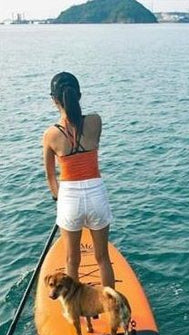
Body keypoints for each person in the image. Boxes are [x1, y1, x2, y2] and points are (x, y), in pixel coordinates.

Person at [43, 72, 115, 288]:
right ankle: (112, 310)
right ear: (79, 95)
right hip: (96, 194)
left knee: (72, 261)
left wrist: (57, 197)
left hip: (70, 198)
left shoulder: (50, 135)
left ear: (54, 100)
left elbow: (50, 177)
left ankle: (80, 316)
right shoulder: (95, 121)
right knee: (102, 259)